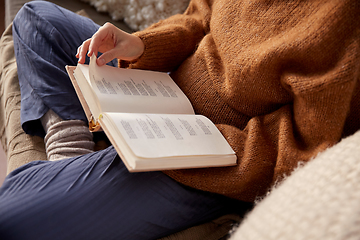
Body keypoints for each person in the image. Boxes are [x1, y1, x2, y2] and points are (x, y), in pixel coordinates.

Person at [0, 0, 359, 239]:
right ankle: (74, 154)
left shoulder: (344, 20)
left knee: (10, 213)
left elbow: (304, 148)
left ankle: (83, 170)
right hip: (164, 88)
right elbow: (199, 17)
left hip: (210, 163)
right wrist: (141, 45)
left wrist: (196, 140)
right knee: (35, 18)